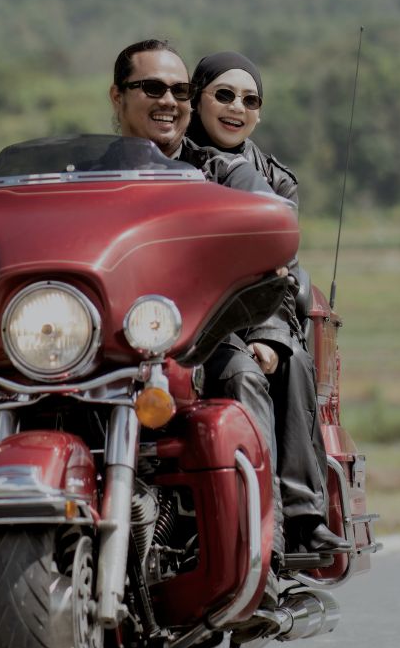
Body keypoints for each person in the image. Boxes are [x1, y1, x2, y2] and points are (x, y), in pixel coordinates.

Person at [109, 38, 286, 560]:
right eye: (152, 87)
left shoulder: (217, 172)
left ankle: (262, 547)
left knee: (242, 376)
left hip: (196, 336)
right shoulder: (86, 176)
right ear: (118, 95)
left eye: (180, 91)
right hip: (105, 337)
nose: (168, 100)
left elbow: (270, 230)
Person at [185, 50, 340, 557]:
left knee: (290, 363)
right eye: (224, 95)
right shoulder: (168, 161)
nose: (237, 108)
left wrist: (268, 337)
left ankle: (298, 518)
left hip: (252, 314)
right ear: (197, 98)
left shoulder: (275, 180)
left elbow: (279, 267)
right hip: (183, 317)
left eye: (250, 100)